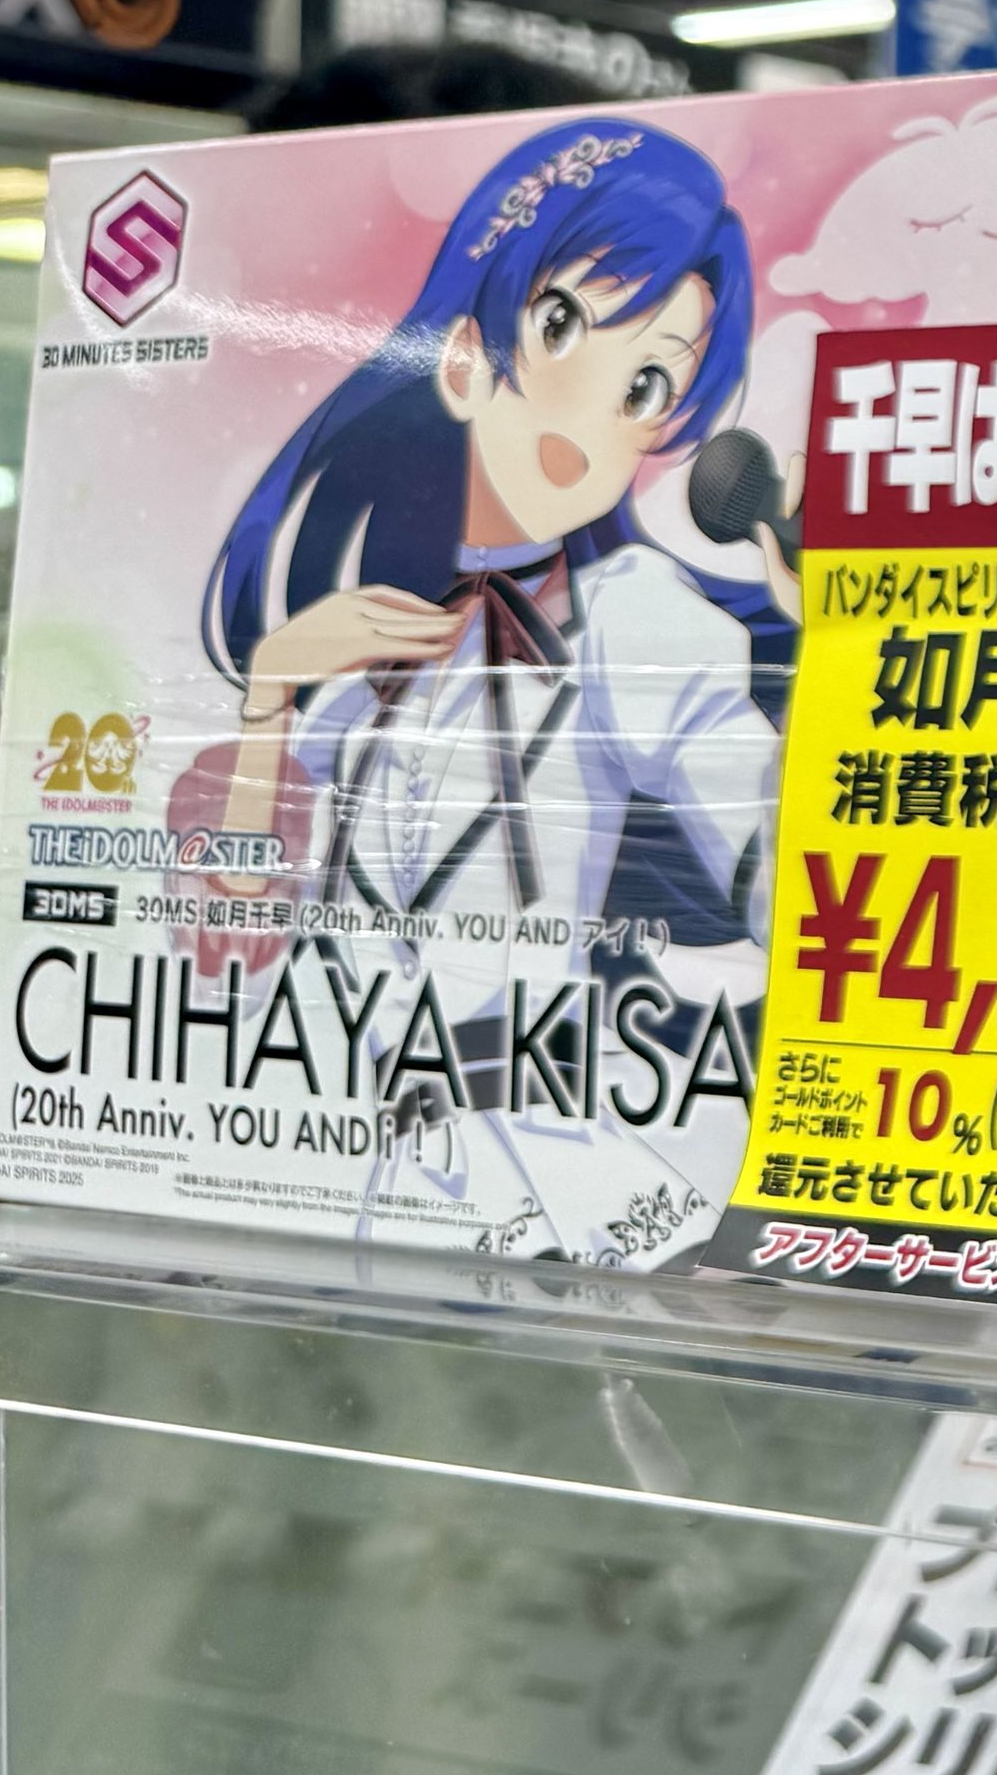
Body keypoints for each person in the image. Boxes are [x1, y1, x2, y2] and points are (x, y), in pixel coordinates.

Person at [200, 119, 792, 1264]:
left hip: (563, 1158)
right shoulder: (365, 658)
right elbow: (235, 931)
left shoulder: (634, 624)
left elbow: (778, 868)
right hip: (354, 1165)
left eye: (647, 385)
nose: (587, 425)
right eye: (562, 327)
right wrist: (269, 694)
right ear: (465, 358)